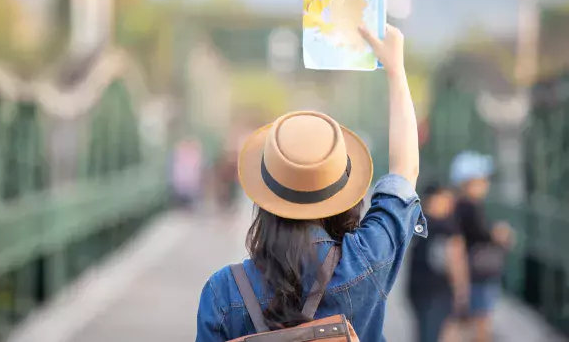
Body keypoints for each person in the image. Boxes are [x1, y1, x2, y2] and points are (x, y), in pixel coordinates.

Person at [196, 24, 426, 341]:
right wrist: (396, 71)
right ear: (343, 194)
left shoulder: (222, 292)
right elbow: (405, 172)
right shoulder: (365, 261)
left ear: (265, 197)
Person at [450, 151, 514, 342]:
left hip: (470, 269)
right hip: (477, 270)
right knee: (481, 318)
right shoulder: (468, 206)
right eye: (481, 180)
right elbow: (482, 233)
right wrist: (499, 234)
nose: (485, 184)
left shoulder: (461, 205)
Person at [407, 182, 469, 342]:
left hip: (417, 290)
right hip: (438, 292)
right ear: (432, 200)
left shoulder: (417, 223)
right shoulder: (448, 227)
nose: (450, 203)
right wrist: (461, 293)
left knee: (425, 333)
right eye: (446, 199)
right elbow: (455, 260)